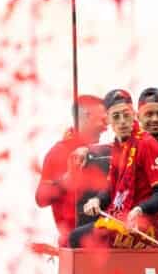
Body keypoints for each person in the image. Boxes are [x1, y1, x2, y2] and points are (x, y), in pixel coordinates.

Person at [69, 89, 158, 249]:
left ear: (134, 115)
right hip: (120, 219)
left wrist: (139, 210)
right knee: (80, 232)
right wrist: (96, 200)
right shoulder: (118, 146)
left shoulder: (147, 144)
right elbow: (111, 189)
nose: (122, 121)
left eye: (126, 114)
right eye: (116, 117)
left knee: (78, 237)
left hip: (148, 226)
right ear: (108, 120)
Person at [35, 95, 107, 245]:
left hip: (101, 242)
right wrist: (66, 180)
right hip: (74, 247)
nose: (106, 127)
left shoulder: (101, 151)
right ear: (86, 117)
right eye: (102, 120)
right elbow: (40, 198)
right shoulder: (59, 152)